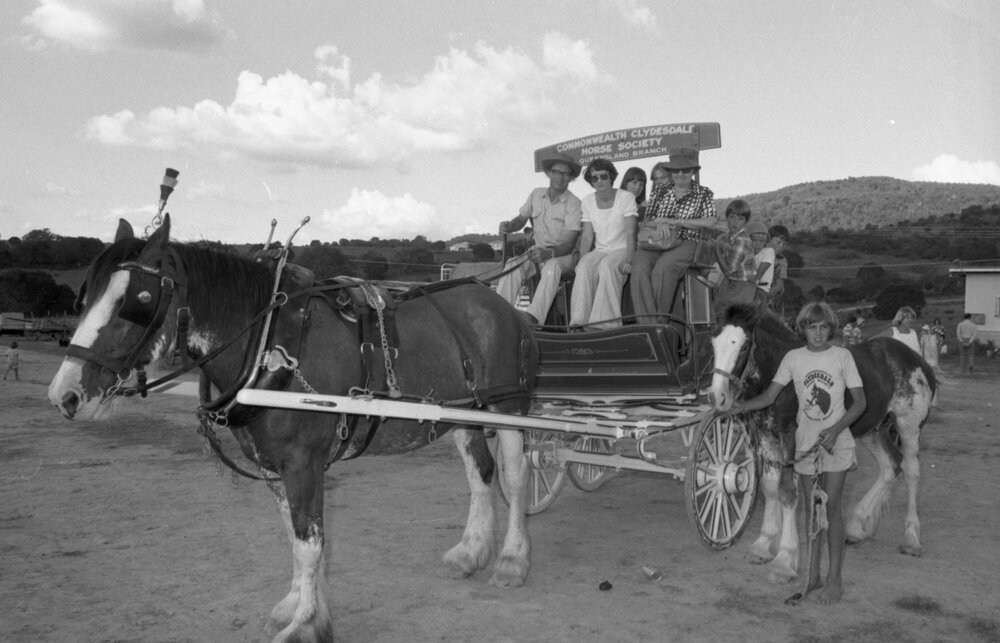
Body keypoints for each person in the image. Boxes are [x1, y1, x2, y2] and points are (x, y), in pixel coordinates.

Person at [733, 302, 866, 605]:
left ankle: (834, 579)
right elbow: (769, 396)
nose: (817, 333)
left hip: (837, 443)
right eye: (811, 327)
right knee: (812, 516)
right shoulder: (793, 358)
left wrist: (834, 430)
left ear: (830, 328)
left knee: (831, 510)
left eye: (823, 327)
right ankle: (814, 576)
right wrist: (738, 405)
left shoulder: (842, 357)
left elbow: (859, 403)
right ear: (802, 328)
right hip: (806, 446)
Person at [629, 149, 719, 324]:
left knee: (664, 268)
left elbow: (711, 221)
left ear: (693, 172)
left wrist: (677, 222)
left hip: (687, 240)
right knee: (639, 267)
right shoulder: (660, 191)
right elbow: (649, 217)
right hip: (657, 239)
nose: (680, 174)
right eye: (676, 170)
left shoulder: (704, 193)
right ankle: (647, 323)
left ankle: (658, 323)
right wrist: (661, 223)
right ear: (670, 172)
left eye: (685, 170)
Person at [496, 152, 583, 325]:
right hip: (537, 252)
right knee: (513, 264)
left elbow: (569, 243)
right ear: (549, 173)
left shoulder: (574, 203)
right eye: (557, 172)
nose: (560, 177)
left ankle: (533, 319)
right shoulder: (536, 194)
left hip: (564, 256)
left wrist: (548, 254)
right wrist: (509, 227)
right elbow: (521, 220)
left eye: (566, 174)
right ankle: (500, 313)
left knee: (551, 267)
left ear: (571, 178)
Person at [569, 159, 639, 329]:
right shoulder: (587, 201)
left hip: (622, 249)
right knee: (584, 267)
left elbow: (631, 233)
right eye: (595, 178)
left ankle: (606, 324)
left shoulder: (626, 197)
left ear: (611, 177)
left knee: (607, 265)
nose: (599, 181)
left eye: (603, 176)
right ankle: (578, 322)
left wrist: (629, 261)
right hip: (600, 250)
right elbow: (587, 236)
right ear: (591, 182)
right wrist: (582, 259)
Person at [713, 199, 757, 319]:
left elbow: (728, 271)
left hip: (743, 284)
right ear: (727, 218)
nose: (735, 222)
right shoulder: (726, 237)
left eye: (740, 219)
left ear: (746, 222)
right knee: (719, 311)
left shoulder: (742, 241)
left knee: (733, 319)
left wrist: (716, 249)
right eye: (732, 217)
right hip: (730, 281)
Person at [747, 221, 773, 308]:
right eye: (754, 240)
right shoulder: (748, 254)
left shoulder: (768, 251)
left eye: (761, 241)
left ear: (765, 242)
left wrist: (756, 280)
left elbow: (764, 266)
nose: (758, 243)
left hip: (761, 288)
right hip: (748, 288)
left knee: (757, 310)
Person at [767, 225, 790, 307]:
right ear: (768, 239)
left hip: (766, 298)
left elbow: (779, 284)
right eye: (778, 242)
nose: (781, 246)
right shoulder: (757, 252)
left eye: (784, 244)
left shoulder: (782, 260)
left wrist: (765, 295)